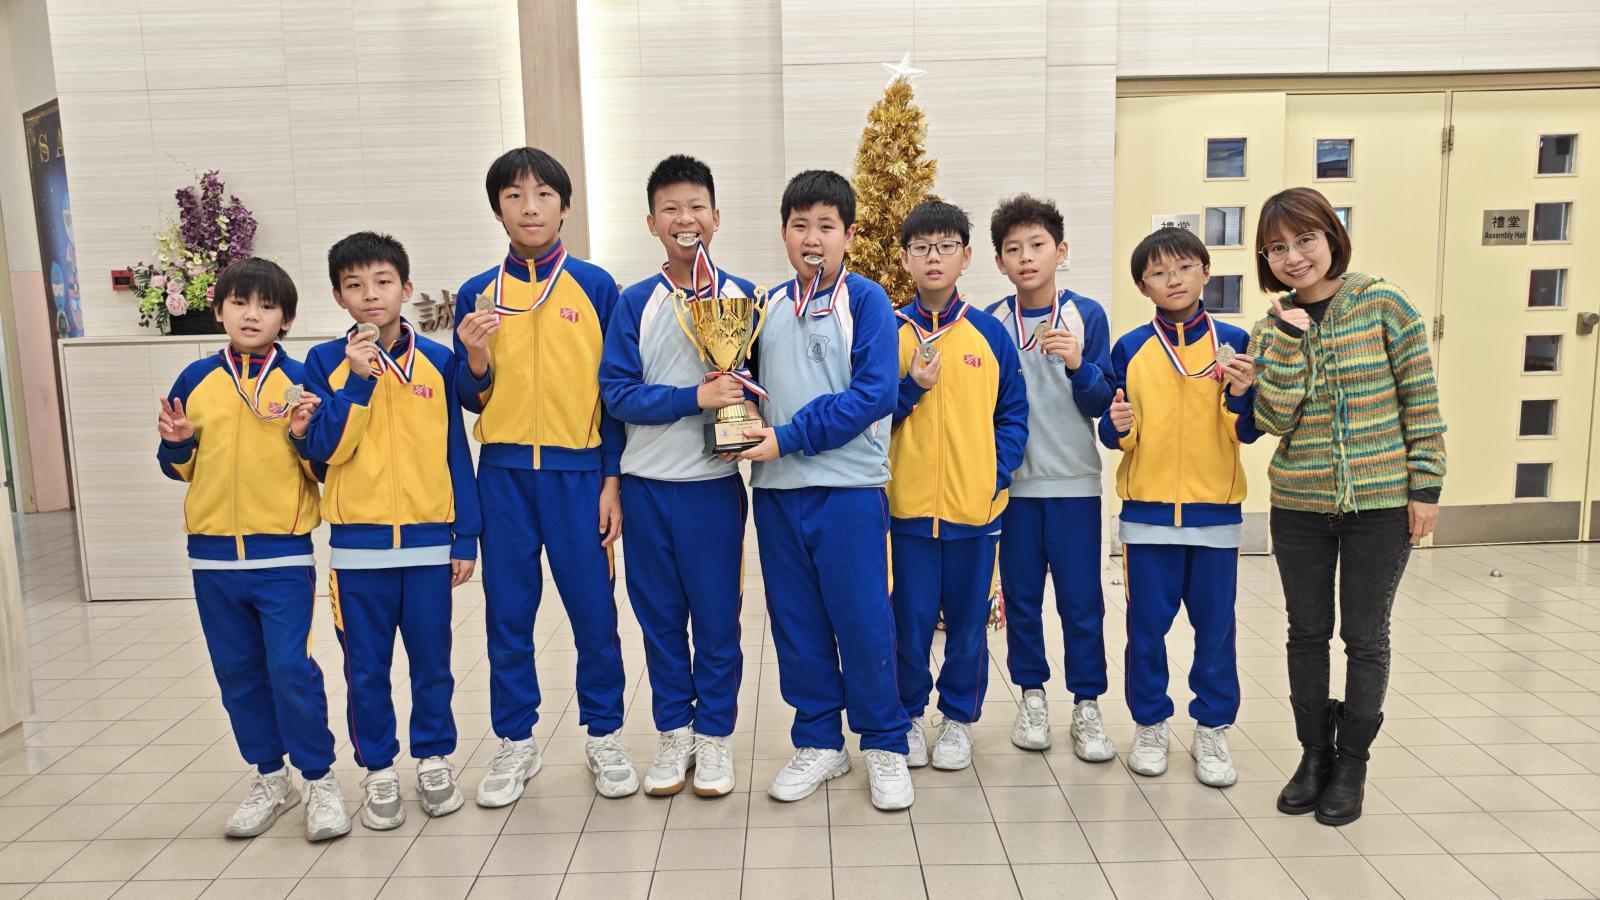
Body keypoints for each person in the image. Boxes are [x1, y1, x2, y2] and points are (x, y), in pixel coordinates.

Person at [1251, 187, 1446, 826]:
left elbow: (1421, 400)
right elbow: (1273, 417)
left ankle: (1353, 762)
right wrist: (1288, 340)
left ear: (1331, 237)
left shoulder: (1385, 304)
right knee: (1306, 633)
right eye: (1277, 247)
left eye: (1304, 239)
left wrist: (1426, 488)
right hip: (1299, 505)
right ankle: (1314, 756)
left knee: (1364, 636)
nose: (1293, 257)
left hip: (1381, 505)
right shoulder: (1270, 326)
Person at [452, 147, 636, 805]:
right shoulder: (478, 293)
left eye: (542, 195)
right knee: (508, 616)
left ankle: (605, 735)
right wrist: (475, 358)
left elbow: (615, 394)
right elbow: (469, 398)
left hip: (579, 477)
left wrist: (611, 480)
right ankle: (515, 742)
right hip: (502, 477)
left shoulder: (597, 287)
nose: (529, 208)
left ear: (564, 206)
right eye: (514, 196)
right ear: (497, 209)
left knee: (594, 614)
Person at [156, 257, 349, 841]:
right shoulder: (195, 380)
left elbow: (321, 466)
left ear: (286, 320)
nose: (251, 314)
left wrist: (302, 433)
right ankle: (270, 776)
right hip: (212, 558)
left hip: (282, 556)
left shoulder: (302, 381)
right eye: (240, 302)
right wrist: (178, 445)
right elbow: (179, 468)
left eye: (267, 306)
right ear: (219, 310)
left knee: (290, 669)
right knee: (237, 672)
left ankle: (319, 778)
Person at [740, 169, 914, 810]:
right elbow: (745, 384)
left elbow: (876, 394)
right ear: (783, 232)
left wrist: (788, 436)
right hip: (777, 491)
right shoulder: (763, 306)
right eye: (799, 225)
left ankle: (885, 742)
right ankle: (819, 740)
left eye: (825, 226)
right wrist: (740, 410)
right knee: (796, 622)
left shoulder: (866, 301)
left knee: (863, 621)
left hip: (847, 491)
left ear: (849, 235)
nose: (811, 238)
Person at [297, 232, 481, 829]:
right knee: (366, 671)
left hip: (429, 547)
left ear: (406, 288)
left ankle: (433, 759)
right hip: (358, 553)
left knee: (433, 665)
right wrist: (356, 381)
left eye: (382, 282)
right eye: (355, 286)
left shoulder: (439, 362)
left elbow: (455, 452)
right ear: (339, 297)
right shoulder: (322, 363)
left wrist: (465, 536)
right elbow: (324, 452)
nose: (370, 295)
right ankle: (378, 769)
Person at [599, 155, 755, 797]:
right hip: (647, 487)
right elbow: (617, 394)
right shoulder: (636, 302)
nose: (684, 218)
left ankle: (714, 737)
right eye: (671, 209)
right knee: (660, 620)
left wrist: (743, 420)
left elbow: (761, 385)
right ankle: (674, 733)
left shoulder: (744, 298)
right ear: (652, 222)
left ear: (716, 217)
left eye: (695, 207)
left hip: (713, 490)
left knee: (717, 620)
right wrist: (695, 398)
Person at [1099, 226, 1262, 788]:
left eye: (1184, 267)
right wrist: (1117, 426)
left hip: (1214, 515)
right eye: (1158, 273)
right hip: (1146, 518)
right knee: (1146, 630)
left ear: (1205, 272)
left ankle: (1212, 728)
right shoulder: (1131, 348)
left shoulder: (1234, 342)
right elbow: (1116, 431)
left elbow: (1247, 430)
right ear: (1143, 286)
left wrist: (1240, 393)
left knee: (1215, 629)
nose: (1173, 280)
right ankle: (1150, 724)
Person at [888, 200, 1027, 771]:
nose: (934, 257)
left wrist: (993, 474)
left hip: (975, 512)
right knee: (909, 624)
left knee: (969, 626)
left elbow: (1013, 414)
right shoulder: (888, 330)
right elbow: (872, 414)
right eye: (922, 248)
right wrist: (909, 390)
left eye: (946, 246)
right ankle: (908, 715)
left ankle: (957, 720)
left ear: (966, 256)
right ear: (905, 258)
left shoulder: (989, 333)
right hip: (906, 512)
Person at [984, 194, 1118, 761]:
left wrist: (1078, 365)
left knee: (1081, 602)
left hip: (1074, 485)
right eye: (1013, 249)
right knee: (1020, 601)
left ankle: (1087, 704)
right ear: (999, 262)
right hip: (1014, 491)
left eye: (1037, 245)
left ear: (1060, 251)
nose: (1026, 257)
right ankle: (1032, 698)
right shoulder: (990, 322)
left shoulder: (1086, 315)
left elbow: (1103, 402)